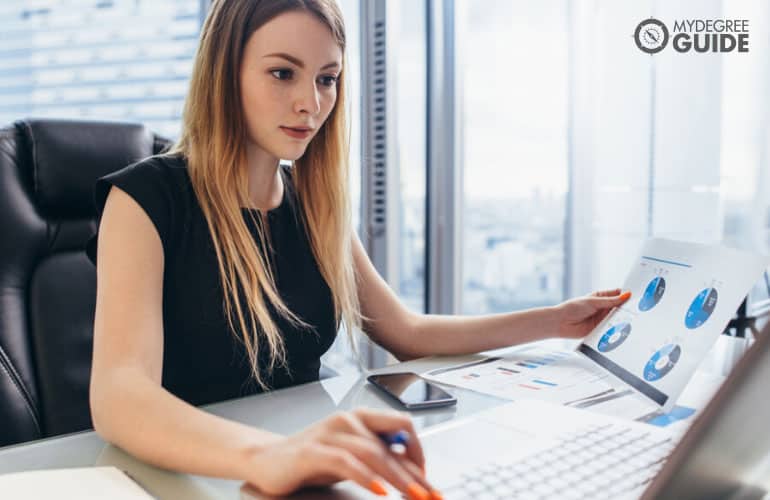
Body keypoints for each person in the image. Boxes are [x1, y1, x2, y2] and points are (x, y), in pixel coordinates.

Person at [86, 0, 631, 498]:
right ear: (224, 75)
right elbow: (120, 396)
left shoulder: (313, 203)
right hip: (185, 472)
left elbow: (407, 333)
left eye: (328, 79)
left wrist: (556, 322)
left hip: (298, 469)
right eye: (283, 73)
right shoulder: (145, 199)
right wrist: (271, 454)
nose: (311, 103)